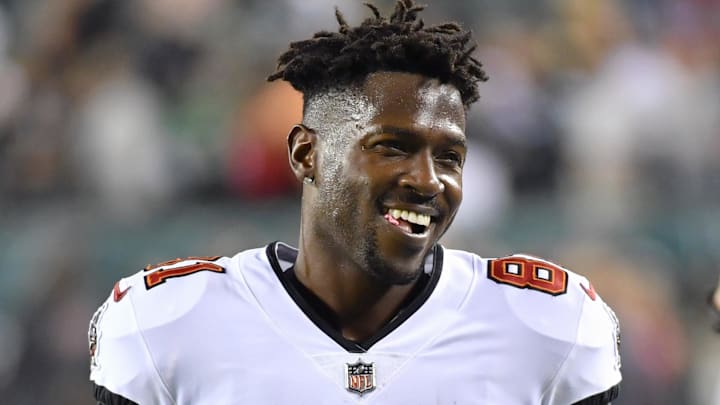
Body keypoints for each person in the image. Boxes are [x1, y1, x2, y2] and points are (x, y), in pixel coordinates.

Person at [87, 1, 622, 403]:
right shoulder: (169, 324)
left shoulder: (545, 326)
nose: (429, 180)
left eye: (450, 157)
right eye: (393, 147)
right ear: (305, 154)